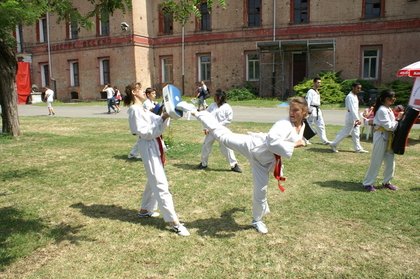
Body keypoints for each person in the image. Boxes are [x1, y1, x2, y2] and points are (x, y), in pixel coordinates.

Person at [177, 97, 307, 234]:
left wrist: (300, 142)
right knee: (223, 136)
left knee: (261, 191)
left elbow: (297, 138)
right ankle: (193, 110)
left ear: (304, 112)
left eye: (295, 110)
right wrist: (295, 144)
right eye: (290, 110)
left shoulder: (302, 125)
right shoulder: (284, 124)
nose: (291, 113)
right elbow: (271, 141)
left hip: (264, 162)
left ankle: (257, 220)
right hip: (253, 146)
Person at [124, 82, 190, 236]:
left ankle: (145, 209)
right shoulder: (134, 110)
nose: (143, 91)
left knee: (153, 179)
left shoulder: (142, 108)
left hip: (154, 143)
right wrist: (162, 120)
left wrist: (168, 112)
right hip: (148, 145)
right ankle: (173, 222)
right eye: (140, 89)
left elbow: (156, 120)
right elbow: (143, 132)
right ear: (134, 92)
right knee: (160, 183)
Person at [362, 90, 401, 192]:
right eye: (392, 98)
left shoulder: (388, 109)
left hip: (389, 137)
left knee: (390, 161)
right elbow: (389, 126)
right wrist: (399, 121)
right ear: (386, 99)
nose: (394, 99)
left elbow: (391, 124)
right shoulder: (382, 110)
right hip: (381, 137)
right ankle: (368, 183)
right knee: (376, 160)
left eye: (394, 98)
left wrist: (397, 122)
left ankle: (387, 182)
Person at [197, 89, 242, 173]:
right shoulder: (212, 106)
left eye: (215, 96)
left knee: (226, 147)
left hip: (221, 131)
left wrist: (218, 126)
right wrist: (206, 128)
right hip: (211, 131)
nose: (214, 98)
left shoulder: (227, 107)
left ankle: (234, 165)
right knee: (206, 146)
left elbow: (228, 120)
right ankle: (203, 164)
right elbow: (206, 117)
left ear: (220, 97)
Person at [329, 82, 368, 153]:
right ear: (353, 87)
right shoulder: (350, 96)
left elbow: (355, 109)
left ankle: (358, 148)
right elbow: (352, 109)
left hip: (354, 116)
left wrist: (357, 118)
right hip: (351, 117)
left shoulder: (354, 96)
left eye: (360, 88)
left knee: (356, 133)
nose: (359, 90)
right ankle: (333, 144)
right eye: (357, 88)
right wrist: (357, 119)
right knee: (346, 132)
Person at [305, 77, 331, 145]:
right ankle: (305, 139)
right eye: (318, 82)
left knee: (321, 125)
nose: (319, 84)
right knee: (309, 124)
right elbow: (308, 101)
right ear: (314, 82)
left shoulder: (317, 91)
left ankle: (324, 140)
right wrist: (307, 110)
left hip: (317, 109)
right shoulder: (310, 91)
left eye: (320, 82)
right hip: (312, 109)